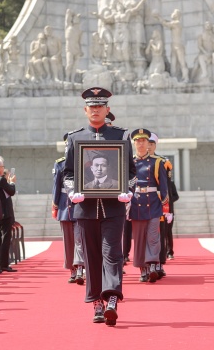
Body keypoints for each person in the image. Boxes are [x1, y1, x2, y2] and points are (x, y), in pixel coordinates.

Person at [63, 86, 136, 326]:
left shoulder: (121, 136)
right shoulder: (75, 138)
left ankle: (112, 297)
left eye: (100, 106)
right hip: (85, 209)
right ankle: (96, 302)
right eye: (92, 107)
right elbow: (68, 173)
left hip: (113, 207)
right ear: (85, 110)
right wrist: (72, 191)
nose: (96, 110)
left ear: (107, 109)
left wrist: (128, 190)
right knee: (91, 257)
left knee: (112, 253)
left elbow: (132, 172)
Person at [129, 128, 169, 283]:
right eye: (137, 141)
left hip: (152, 203)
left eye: (143, 141)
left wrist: (165, 207)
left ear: (148, 144)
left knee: (153, 237)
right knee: (139, 238)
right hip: (136, 203)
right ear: (134, 143)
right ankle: (143, 269)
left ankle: (153, 264)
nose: (140, 143)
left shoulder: (157, 162)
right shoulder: (130, 162)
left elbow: (163, 186)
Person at [52, 133, 85, 284]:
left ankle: (80, 268)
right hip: (65, 205)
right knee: (68, 241)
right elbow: (56, 186)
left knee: (80, 239)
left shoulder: (85, 162)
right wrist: (55, 205)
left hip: (81, 205)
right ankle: (72, 269)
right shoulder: (60, 163)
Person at [147, 132, 179, 264]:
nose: (148, 146)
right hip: (142, 202)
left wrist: (167, 207)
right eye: (146, 143)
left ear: (155, 145)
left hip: (158, 202)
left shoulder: (162, 162)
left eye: (151, 144)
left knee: (162, 231)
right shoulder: (135, 160)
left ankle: (160, 259)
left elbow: (166, 186)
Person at [0, 157, 17, 272]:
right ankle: (4, 264)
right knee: (5, 238)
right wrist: (12, 182)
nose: (3, 168)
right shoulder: (0, 179)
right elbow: (11, 191)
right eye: (2, 167)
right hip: (4, 212)